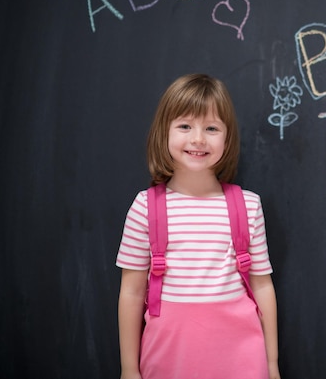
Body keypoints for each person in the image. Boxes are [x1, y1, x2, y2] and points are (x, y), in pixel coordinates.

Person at [116, 74, 280, 379]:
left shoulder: (248, 205)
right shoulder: (145, 207)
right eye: (184, 126)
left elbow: (262, 285)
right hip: (169, 358)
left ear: (227, 138)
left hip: (241, 359)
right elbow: (131, 291)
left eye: (212, 128)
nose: (198, 139)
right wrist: (128, 368)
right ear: (163, 133)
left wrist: (272, 365)